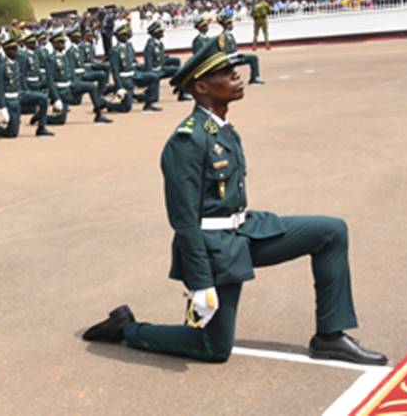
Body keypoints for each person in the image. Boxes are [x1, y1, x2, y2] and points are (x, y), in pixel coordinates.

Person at [82, 37, 388, 366]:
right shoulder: (187, 140)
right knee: (214, 348)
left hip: (244, 230)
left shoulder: (222, 128)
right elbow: (184, 221)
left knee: (331, 232)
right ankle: (127, 328)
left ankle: (330, 336)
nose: (236, 76)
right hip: (214, 250)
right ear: (201, 87)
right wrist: (199, 283)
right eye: (226, 73)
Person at [108, 24, 162, 113]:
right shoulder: (115, 51)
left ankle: (149, 104)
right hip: (125, 79)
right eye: (123, 35)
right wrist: (119, 87)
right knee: (126, 108)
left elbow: (133, 61)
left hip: (135, 75)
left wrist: (139, 67)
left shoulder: (129, 46)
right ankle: (107, 105)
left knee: (154, 77)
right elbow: (115, 71)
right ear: (117, 36)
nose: (125, 36)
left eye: (126, 34)